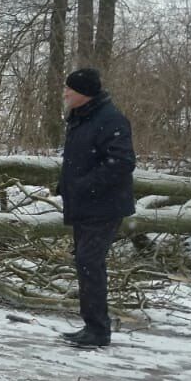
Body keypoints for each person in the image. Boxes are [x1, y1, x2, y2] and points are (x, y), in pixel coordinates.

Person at [55, 68, 135, 348]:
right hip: (84, 205)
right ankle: (92, 324)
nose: (64, 93)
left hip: (104, 206)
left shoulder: (110, 119)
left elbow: (122, 162)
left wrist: (84, 185)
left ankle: (99, 330)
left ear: (85, 93)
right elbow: (80, 159)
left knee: (90, 264)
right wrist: (64, 185)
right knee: (85, 263)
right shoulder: (80, 118)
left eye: (70, 89)